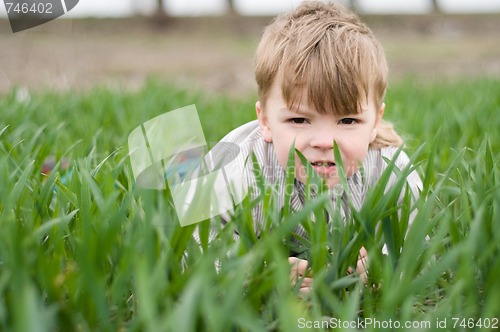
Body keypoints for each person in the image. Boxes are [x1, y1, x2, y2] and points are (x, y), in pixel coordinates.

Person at [201, 1, 422, 294]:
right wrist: (257, 274)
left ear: (375, 122)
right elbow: (193, 246)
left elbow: (421, 241)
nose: (323, 141)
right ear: (265, 120)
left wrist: (387, 265)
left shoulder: (391, 171)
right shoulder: (238, 171)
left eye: (347, 120)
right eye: (299, 119)